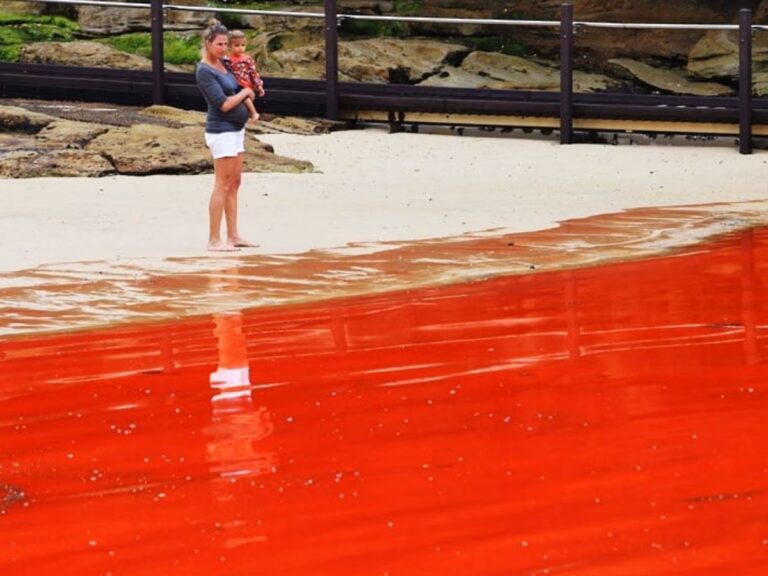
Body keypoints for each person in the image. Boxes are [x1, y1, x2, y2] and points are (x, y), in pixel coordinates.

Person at [196, 20, 257, 252]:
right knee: (222, 184)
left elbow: (239, 84)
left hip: (236, 130)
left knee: (234, 183)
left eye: (225, 44)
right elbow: (223, 104)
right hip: (221, 131)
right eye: (219, 44)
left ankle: (233, 235)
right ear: (208, 44)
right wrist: (245, 93)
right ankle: (214, 239)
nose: (223, 48)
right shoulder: (204, 71)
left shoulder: (224, 64)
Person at [223, 30, 265, 123]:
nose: (240, 48)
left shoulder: (247, 59)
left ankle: (254, 113)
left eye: (243, 45)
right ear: (229, 46)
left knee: (245, 98)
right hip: (233, 84)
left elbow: (253, 73)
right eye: (236, 45)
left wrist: (259, 86)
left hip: (245, 84)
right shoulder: (227, 59)